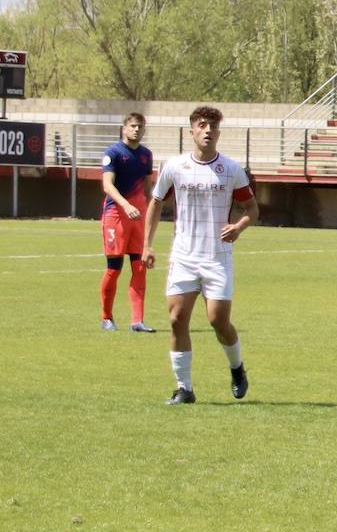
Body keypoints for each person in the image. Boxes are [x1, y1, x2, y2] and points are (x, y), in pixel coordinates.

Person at [142, 106, 257, 405]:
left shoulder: (231, 170)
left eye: (213, 126)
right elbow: (155, 204)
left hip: (217, 257)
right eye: (202, 125)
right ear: (191, 130)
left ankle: (237, 368)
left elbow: (252, 209)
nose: (208, 130)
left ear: (219, 132)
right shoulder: (175, 166)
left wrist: (239, 227)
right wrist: (147, 245)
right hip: (183, 256)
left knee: (218, 320)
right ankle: (184, 388)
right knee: (177, 318)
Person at [99, 113, 157, 332]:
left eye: (140, 127)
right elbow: (107, 185)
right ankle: (106, 317)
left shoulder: (146, 155)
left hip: (138, 218)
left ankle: (137, 321)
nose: (136, 130)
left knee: (139, 267)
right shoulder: (113, 153)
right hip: (116, 215)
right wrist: (126, 205)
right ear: (124, 128)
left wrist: (153, 207)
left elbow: (148, 189)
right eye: (133, 126)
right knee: (114, 269)